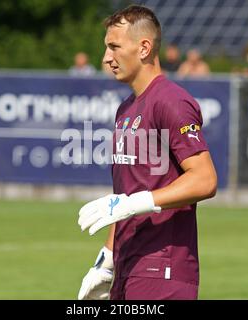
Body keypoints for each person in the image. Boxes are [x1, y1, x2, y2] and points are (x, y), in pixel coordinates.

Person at [78, 5, 217, 300]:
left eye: (114, 47)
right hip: (128, 266)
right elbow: (125, 197)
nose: (106, 58)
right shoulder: (126, 108)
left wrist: (134, 203)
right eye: (106, 48)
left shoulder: (171, 101)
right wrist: (105, 261)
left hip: (163, 269)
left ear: (144, 48)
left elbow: (205, 180)